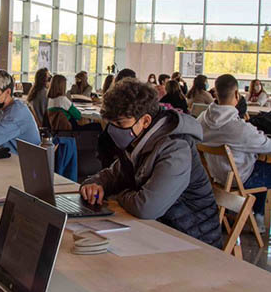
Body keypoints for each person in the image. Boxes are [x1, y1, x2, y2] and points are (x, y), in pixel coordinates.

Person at [80, 80, 221, 248]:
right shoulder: (138, 141)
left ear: (145, 121)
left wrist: (119, 195)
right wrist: (93, 184)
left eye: (120, 123)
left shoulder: (176, 148)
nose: (113, 129)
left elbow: (146, 207)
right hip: (159, 232)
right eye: (111, 123)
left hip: (192, 242)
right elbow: (113, 174)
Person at [198, 74, 271, 243]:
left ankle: (258, 219)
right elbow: (268, 145)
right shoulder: (237, 127)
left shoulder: (202, 119)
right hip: (241, 177)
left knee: (261, 167)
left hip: (217, 176)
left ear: (215, 93)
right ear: (237, 94)